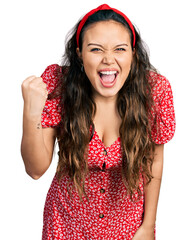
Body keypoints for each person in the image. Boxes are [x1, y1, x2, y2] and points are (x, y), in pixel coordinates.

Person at [21, 4, 175, 240]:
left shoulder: (154, 92)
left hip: (128, 225)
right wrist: (31, 113)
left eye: (120, 49)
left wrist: (148, 225)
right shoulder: (59, 87)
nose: (108, 60)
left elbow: (153, 161)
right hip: (66, 222)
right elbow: (35, 170)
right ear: (80, 53)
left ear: (133, 54)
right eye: (96, 50)